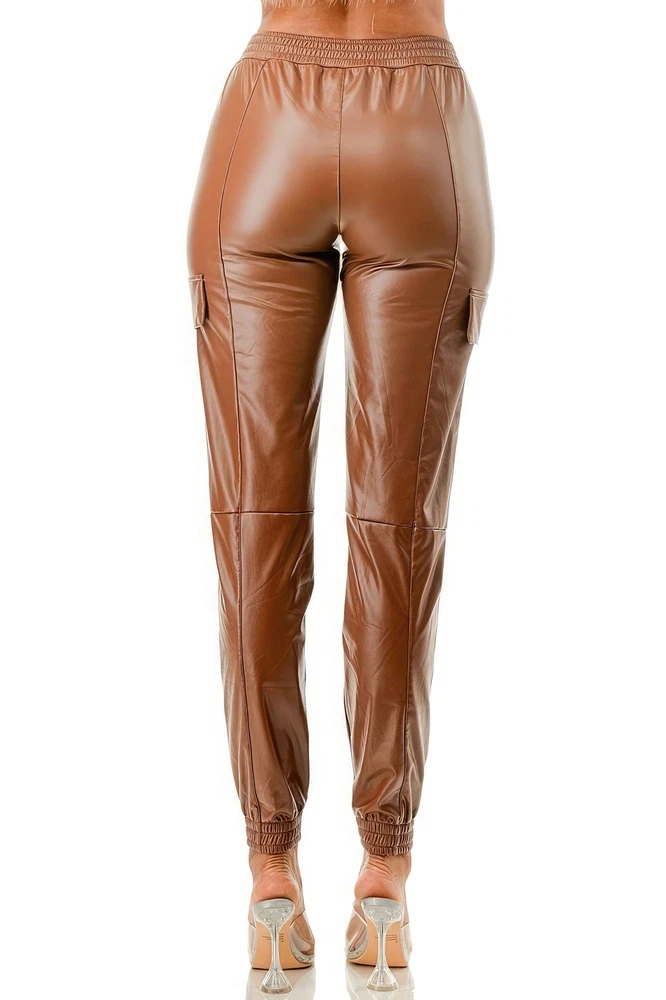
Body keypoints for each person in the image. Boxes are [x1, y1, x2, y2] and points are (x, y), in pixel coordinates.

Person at [187, 0, 493, 991]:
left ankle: (272, 876)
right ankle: (383, 876)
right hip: (419, 129)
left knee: (255, 522)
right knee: (399, 525)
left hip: (269, 123)